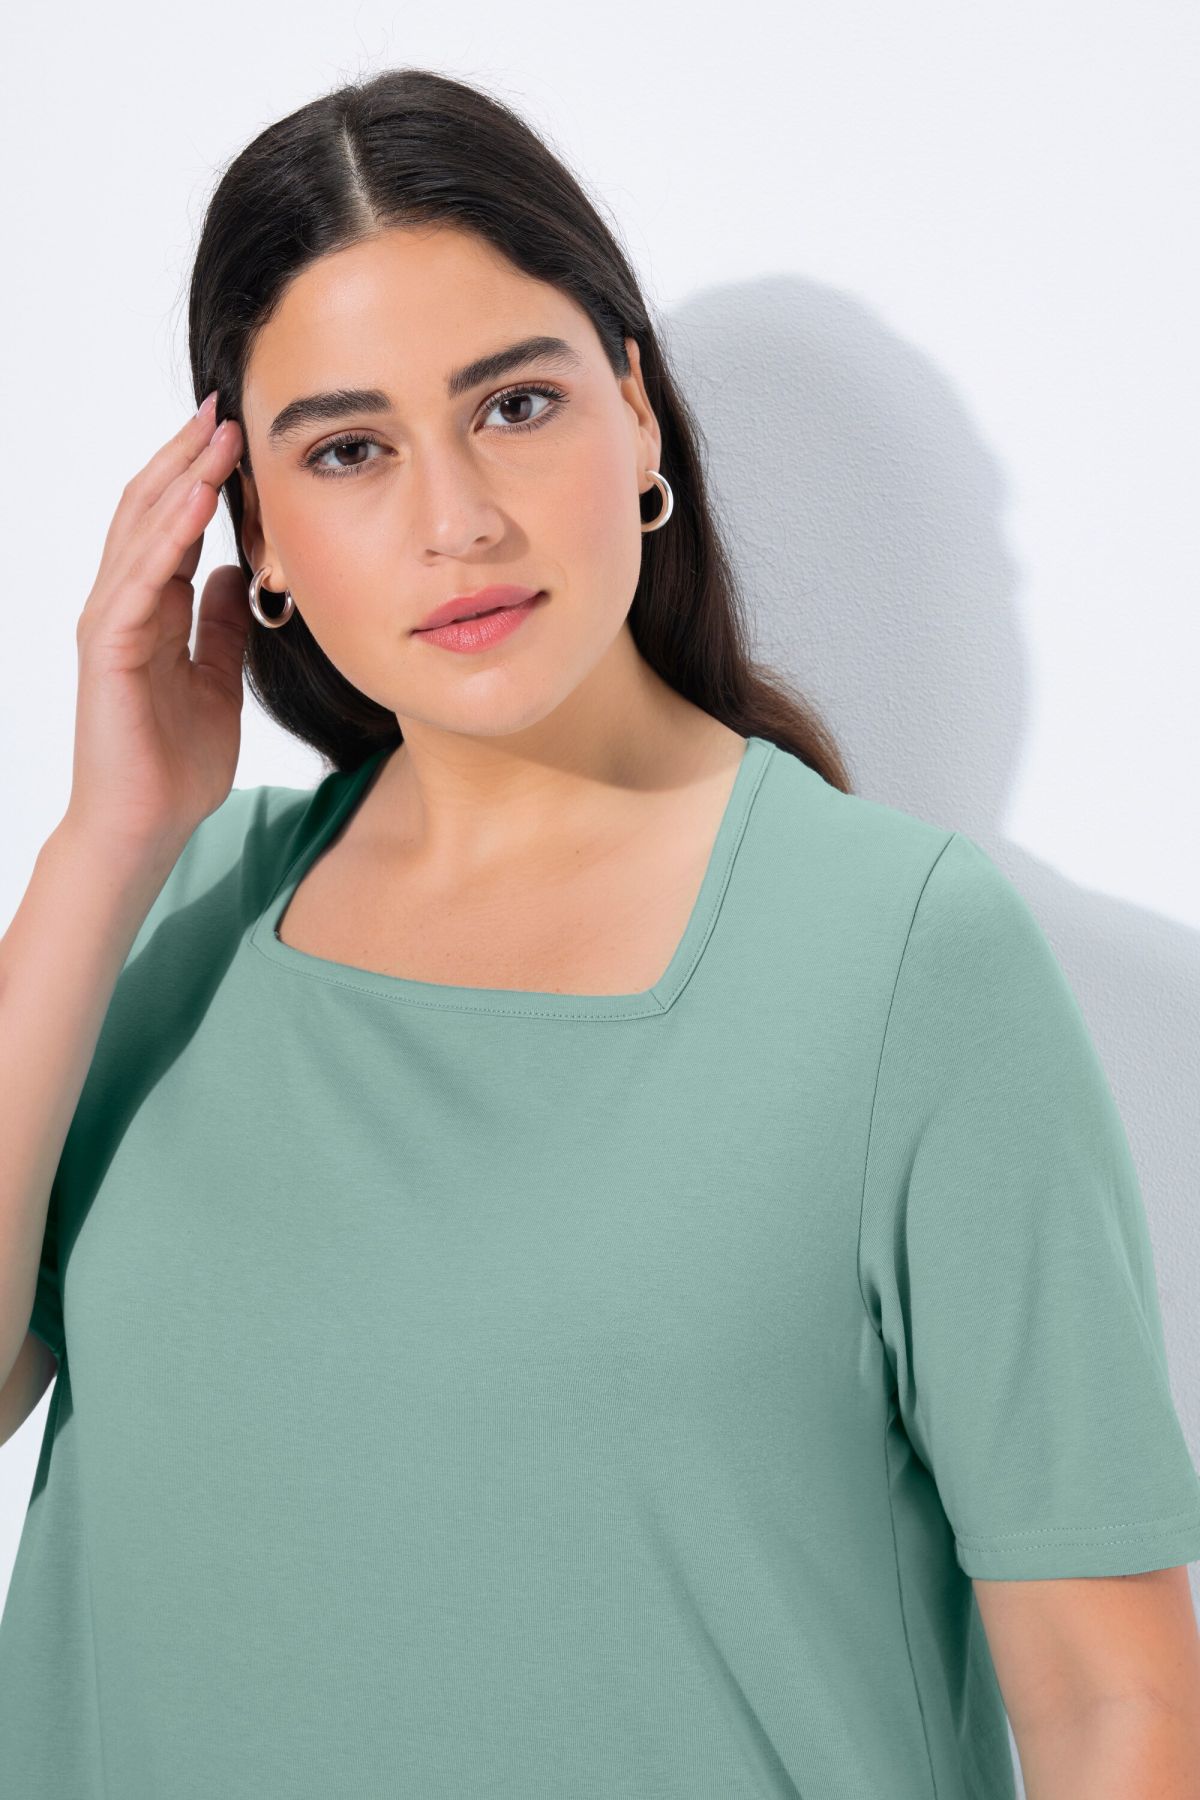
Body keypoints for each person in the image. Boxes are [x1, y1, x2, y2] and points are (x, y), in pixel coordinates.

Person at [1, 65, 1198, 1800]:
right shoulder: (169, 920)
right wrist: (102, 842)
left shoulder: (905, 956)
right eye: (348, 450)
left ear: (636, 417)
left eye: (515, 405)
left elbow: (1113, 1704)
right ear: (252, 531)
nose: (457, 520)